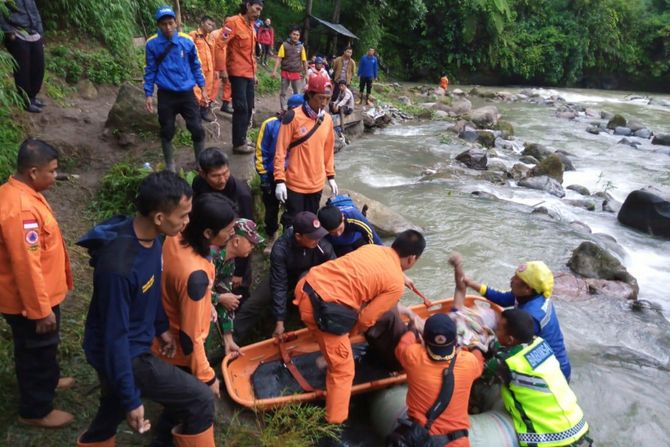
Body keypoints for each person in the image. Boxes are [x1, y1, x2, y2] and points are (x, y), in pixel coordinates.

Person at [76, 171, 216, 447]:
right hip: (126, 352)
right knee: (199, 398)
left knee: (112, 406)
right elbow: (115, 338)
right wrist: (133, 400)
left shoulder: (150, 238)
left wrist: (160, 327)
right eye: (183, 216)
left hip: (135, 340)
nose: (188, 222)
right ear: (160, 218)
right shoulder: (119, 268)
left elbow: (149, 291)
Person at [293, 230, 425, 425]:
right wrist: (345, 337)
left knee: (331, 336)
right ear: (412, 258)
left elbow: (362, 275)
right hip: (322, 309)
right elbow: (366, 319)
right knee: (344, 370)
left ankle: (328, 353)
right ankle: (333, 424)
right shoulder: (395, 283)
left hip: (306, 286)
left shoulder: (373, 248)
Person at [150, 193, 236, 445]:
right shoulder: (194, 276)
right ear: (208, 233)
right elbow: (191, 339)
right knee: (193, 402)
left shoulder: (176, 237)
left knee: (178, 402)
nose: (232, 234)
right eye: (229, 230)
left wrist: (208, 301)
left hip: (164, 326)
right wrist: (207, 377)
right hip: (178, 348)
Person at [0, 139, 74, 428]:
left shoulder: (21, 191)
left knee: (44, 347)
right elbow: (26, 265)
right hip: (29, 303)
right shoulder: (21, 211)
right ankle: (36, 410)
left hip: (41, 295)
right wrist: (40, 310)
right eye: (52, 172)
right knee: (36, 350)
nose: (55, 177)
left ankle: (50, 380)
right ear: (33, 172)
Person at [484, 309, 592, 447]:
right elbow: (510, 349)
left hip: (550, 439)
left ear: (510, 339)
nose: (495, 330)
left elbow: (481, 372)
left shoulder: (507, 363)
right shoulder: (540, 342)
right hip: (578, 426)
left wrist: (476, 347)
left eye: (497, 329)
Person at [233, 211, 335, 343]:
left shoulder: (323, 246)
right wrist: (279, 320)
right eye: (313, 237)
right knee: (255, 302)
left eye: (319, 235)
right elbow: (279, 284)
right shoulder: (281, 249)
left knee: (311, 290)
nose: (317, 239)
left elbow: (334, 271)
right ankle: (232, 339)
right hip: (283, 274)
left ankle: (319, 326)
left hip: (310, 275)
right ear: (298, 236)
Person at [463, 261, 572, 381]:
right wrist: (471, 284)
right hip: (548, 359)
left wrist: (479, 346)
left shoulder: (530, 316)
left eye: (517, 278)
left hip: (552, 373)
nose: (512, 279)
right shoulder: (531, 295)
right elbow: (502, 298)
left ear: (527, 288)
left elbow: (510, 346)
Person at [144, 6, 207, 172]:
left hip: (187, 93)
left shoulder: (186, 41)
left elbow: (195, 65)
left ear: (175, 22)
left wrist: (202, 87)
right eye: (164, 24)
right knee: (167, 130)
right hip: (166, 95)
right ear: (158, 25)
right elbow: (150, 69)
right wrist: (148, 94)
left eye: (171, 23)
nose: (168, 27)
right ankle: (170, 166)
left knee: (197, 128)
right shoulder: (152, 44)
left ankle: (200, 164)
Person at [273, 75, 337, 228]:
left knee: (311, 224)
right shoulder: (293, 117)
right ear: (309, 95)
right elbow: (280, 151)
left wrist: (331, 176)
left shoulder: (327, 120)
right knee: (292, 223)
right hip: (295, 183)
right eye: (320, 98)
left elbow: (328, 151)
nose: (324, 103)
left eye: (327, 99)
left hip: (316, 183)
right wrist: (280, 180)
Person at [192, 148, 254, 294]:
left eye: (225, 173)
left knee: (237, 290)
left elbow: (246, 233)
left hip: (233, 248)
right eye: (215, 176)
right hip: (209, 244)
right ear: (203, 174)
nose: (222, 180)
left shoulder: (241, 194)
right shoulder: (198, 184)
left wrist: (239, 271)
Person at [255, 93, 305, 255]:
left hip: (294, 175)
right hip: (272, 174)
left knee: (292, 209)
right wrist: (263, 176)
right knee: (271, 208)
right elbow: (261, 151)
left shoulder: (305, 125)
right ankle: (272, 235)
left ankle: (288, 237)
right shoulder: (270, 125)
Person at [214, 0, 264, 154]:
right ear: (248, 6)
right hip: (236, 72)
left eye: (260, 10)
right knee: (240, 107)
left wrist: (254, 74)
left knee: (249, 108)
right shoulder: (233, 22)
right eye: (256, 9)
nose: (258, 13)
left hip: (249, 73)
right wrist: (222, 69)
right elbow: (219, 45)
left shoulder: (252, 27)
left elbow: (251, 55)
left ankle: (242, 138)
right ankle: (237, 144)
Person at [209, 218, 263, 357]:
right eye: (251, 243)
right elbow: (192, 289)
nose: (253, 247)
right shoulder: (210, 257)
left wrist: (228, 337)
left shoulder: (230, 263)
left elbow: (226, 298)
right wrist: (219, 298)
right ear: (236, 241)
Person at [0, 0, 45, 113]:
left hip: (33, 32)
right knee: (22, 69)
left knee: (38, 66)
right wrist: (9, 31)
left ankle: (32, 97)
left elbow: (35, 12)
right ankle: (25, 101)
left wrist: (40, 31)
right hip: (17, 34)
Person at [317, 203, 382, 257]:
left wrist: (380, 253)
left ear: (343, 218)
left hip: (356, 238)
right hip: (339, 245)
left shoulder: (354, 216)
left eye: (340, 229)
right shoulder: (320, 228)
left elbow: (372, 235)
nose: (338, 234)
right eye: (333, 232)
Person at [272, 26, 308, 111]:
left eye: (297, 35)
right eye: (294, 34)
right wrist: (274, 71)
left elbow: (304, 60)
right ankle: (283, 109)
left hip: (296, 72)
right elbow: (279, 58)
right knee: (283, 92)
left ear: (299, 37)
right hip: (285, 71)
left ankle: (296, 110)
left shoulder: (301, 47)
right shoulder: (284, 45)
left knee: (297, 94)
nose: (295, 36)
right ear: (290, 34)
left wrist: (306, 74)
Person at [189, 16, 218, 123]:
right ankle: (195, 112)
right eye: (209, 24)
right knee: (196, 91)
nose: (211, 27)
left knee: (208, 90)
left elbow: (213, 53)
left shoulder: (210, 38)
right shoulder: (194, 35)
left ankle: (204, 110)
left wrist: (215, 69)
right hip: (198, 69)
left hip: (209, 68)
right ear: (202, 23)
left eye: (212, 25)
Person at [210, 25, 233, 114]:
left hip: (226, 62)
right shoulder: (215, 34)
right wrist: (219, 68)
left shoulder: (231, 34)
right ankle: (208, 103)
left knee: (228, 83)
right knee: (215, 83)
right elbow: (214, 50)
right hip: (215, 63)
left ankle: (225, 104)